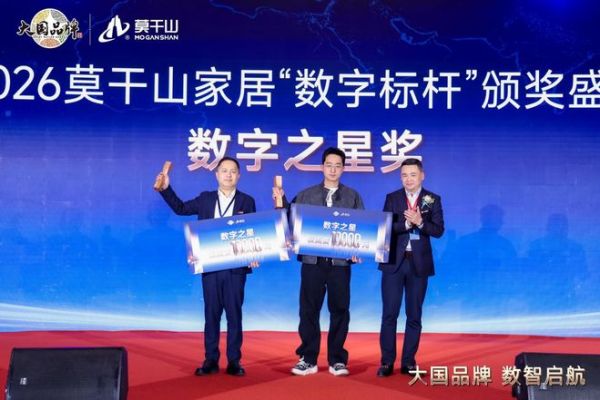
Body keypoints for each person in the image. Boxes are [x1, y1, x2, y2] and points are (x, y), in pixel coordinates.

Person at [155, 156, 257, 377]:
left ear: (239, 176)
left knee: (234, 316)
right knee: (211, 315)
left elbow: (254, 231)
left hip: (236, 269)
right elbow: (181, 208)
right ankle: (210, 359)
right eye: (224, 171)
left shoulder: (247, 201)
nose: (228, 175)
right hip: (211, 266)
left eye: (233, 171)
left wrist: (254, 254)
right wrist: (166, 188)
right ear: (216, 174)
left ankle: (234, 361)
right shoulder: (205, 199)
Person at [273, 147, 364, 377]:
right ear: (322, 167)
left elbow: (362, 229)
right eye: (329, 165)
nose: (333, 169)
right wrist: (281, 200)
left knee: (340, 310)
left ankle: (337, 360)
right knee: (308, 310)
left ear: (343, 169)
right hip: (312, 262)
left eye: (337, 166)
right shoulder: (306, 195)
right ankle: (308, 358)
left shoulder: (352, 196)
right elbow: (289, 218)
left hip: (339, 264)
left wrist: (359, 249)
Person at [376, 158, 444, 377]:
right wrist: (406, 224)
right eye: (404, 175)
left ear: (422, 175)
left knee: (414, 315)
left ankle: (408, 362)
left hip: (418, 264)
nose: (408, 179)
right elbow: (385, 228)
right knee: (389, 314)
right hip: (394, 263)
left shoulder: (432, 199)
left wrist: (420, 222)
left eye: (413, 175)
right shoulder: (393, 198)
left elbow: (438, 230)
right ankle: (387, 362)